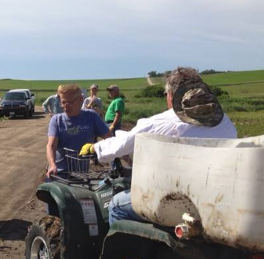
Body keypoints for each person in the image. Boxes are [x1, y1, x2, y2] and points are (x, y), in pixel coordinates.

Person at [79, 67, 237, 225]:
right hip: (214, 199)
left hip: (176, 200)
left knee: (117, 205)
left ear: (172, 95)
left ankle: (122, 249)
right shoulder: (225, 122)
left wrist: (95, 148)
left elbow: (123, 144)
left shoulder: (164, 121)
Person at [46, 83, 112, 178]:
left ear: (80, 100)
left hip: (82, 174)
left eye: (70, 102)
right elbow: (51, 145)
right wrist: (52, 165)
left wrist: (123, 159)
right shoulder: (57, 120)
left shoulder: (91, 116)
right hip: (59, 174)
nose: (66, 106)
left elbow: (110, 139)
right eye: (63, 102)